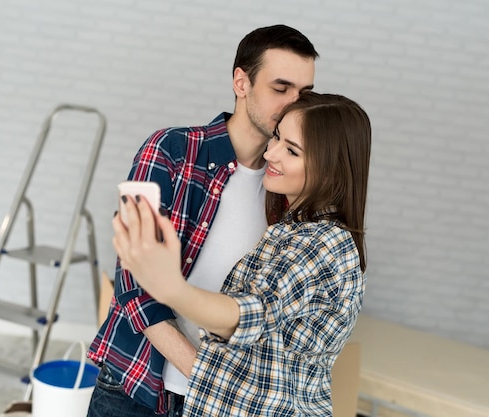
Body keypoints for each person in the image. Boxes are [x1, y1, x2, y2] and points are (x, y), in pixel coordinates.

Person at [87, 25, 318, 417]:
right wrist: (203, 375)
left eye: (305, 94)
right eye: (281, 89)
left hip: (218, 404)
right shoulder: (170, 149)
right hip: (137, 386)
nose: (295, 105)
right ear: (240, 82)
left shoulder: (292, 189)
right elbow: (132, 279)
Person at [115, 91, 371, 416]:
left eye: (291, 151)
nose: (271, 153)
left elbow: (249, 315)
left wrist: (172, 289)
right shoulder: (290, 228)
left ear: (329, 172)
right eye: (277, 137)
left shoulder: (323, 243)